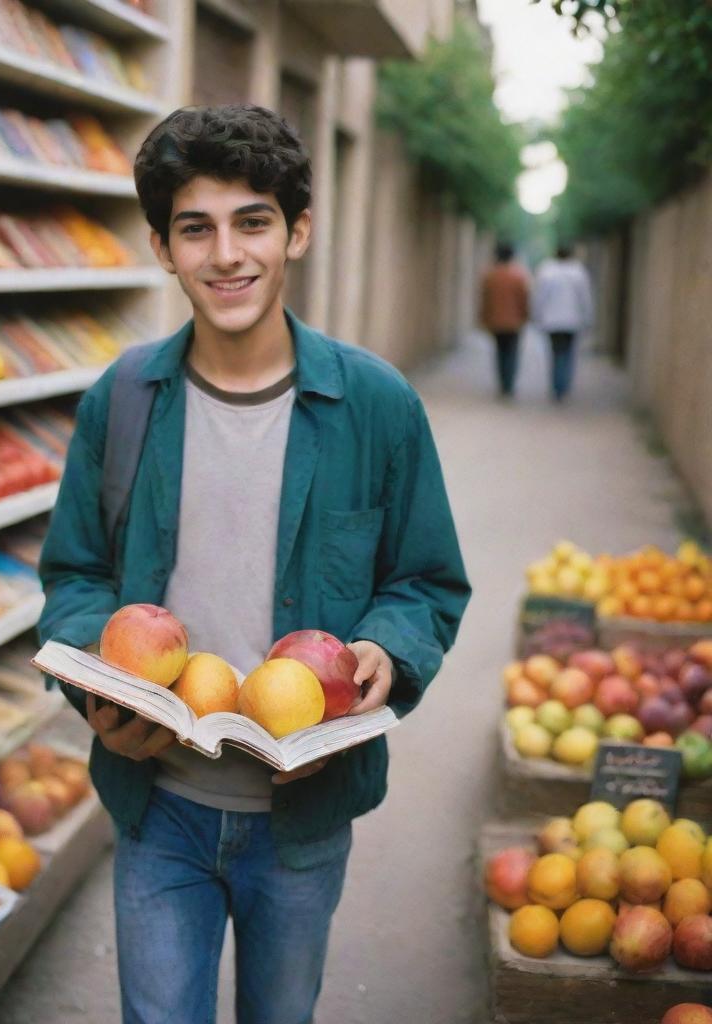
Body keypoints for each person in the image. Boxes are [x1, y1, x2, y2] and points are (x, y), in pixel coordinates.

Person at [37, 104, 471, 1024]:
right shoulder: (121, 402)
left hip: (304, 820)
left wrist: (389, 651)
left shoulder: (374, 407)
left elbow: (424, 582)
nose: (226, 254)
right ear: (163, 247)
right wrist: (101, 696)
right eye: (195, 228)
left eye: (253, 222)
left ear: (297, 231)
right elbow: (75, 577)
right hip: (159, 805)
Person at [531, 243, 594, 402]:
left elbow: (539, 297)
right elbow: (585, 298)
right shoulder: (578, 272)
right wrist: (587, 318)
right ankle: (564, 386)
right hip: (572, 321)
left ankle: (557, 387)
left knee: (555, 354)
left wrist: (537, 316)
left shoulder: (546, 271)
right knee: (568, 354)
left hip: (551, 321)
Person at [479, 242, 530, 397]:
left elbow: (485, 300)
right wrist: (525, 316)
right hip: (514, 323)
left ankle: (503, 382)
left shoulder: (490, 275)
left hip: (496, 321)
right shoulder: (518, 276)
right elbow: (523, 299)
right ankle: (509, 383)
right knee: (512, 353)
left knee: (500, 352)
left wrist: (484, 318)